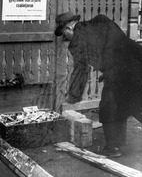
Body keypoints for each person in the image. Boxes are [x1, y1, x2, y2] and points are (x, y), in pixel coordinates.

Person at [54, 11, 142, 157]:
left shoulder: (77, 42)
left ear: (69, 27)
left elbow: (80, 71)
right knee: (132, 103)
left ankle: (112, 147)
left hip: (122, 72)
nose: (64, 38)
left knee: (109, 106)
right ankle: (114, 145)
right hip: (138, 63)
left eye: (63, 33)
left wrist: (73, 97)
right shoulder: (100, 21)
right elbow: (118, 44)